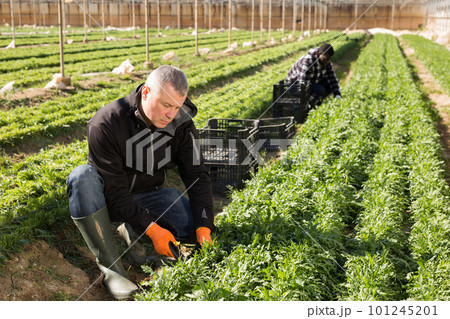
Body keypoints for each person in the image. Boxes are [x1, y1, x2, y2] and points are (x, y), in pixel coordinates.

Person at [66, 65, 215, 299]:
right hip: (109, 200)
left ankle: (134, 230)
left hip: (149, 195)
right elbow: (116, 193)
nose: (171, 114)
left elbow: (197, 174)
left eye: (176, 107)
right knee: (81, 177)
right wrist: (154, 231)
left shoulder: (181, 123)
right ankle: (112, 271)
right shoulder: (106, 123)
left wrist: (205, 225)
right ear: (145, 93)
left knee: (190, 222)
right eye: (166, 105)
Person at [286, 43, 342, 108]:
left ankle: (314, 102)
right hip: (294, 85)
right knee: (320, 90)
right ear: (319, 54)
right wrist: (309, 99)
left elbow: (332, 78)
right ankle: (304, 104)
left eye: (329, 60)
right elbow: (302, 85)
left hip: (311, 82)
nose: (327, 62)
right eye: (326, 59)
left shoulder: (326, 62)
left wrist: (337, 94)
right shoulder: (307, 62)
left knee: (329, 85)